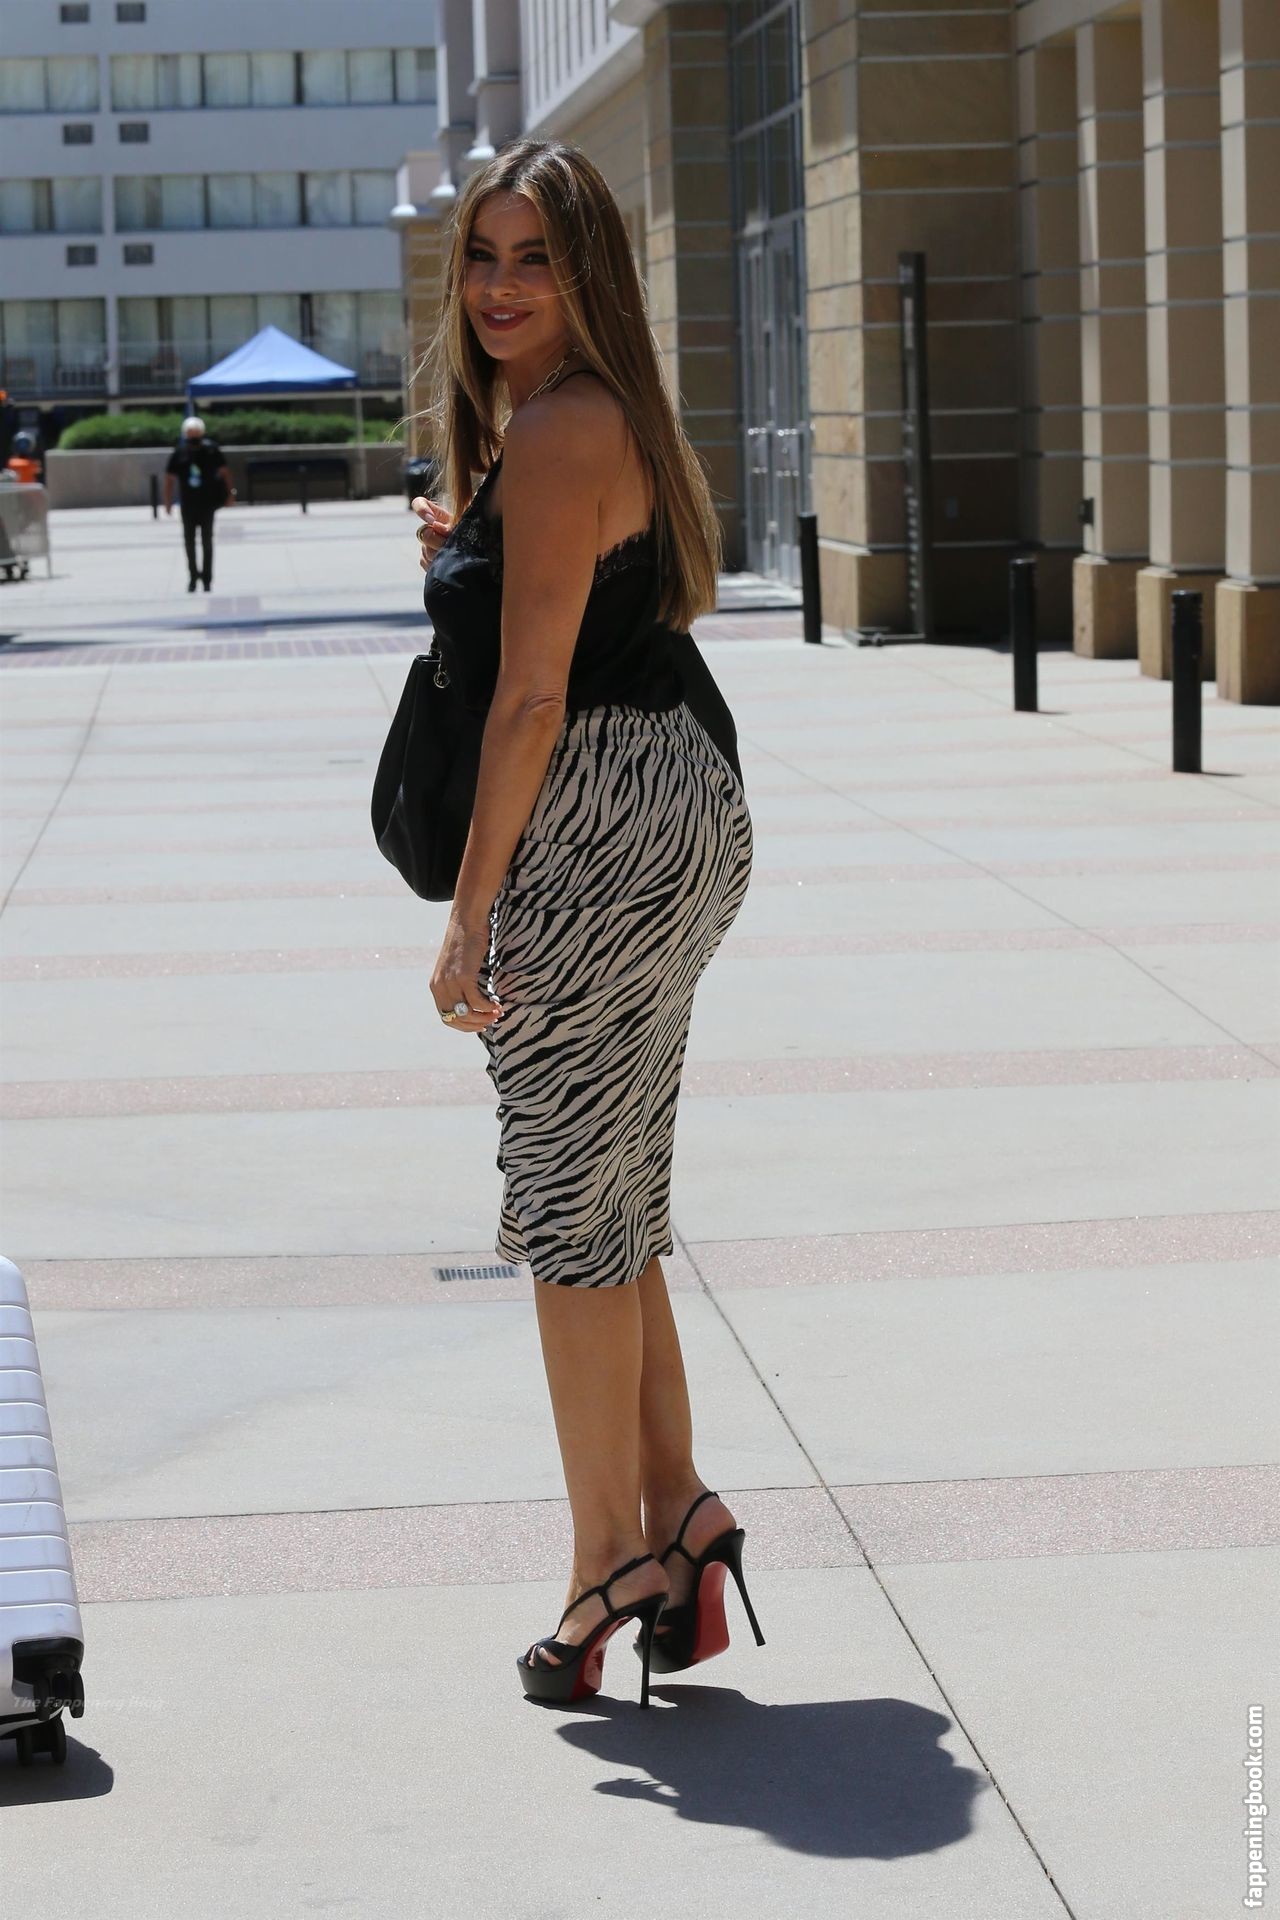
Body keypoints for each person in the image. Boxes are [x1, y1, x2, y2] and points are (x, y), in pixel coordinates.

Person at [411, 137, 763, 1710]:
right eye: (482, 257)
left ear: (589, 271)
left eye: (534, 258)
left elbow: (532, 698)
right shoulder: (587, 416)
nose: (500, 287)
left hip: (597, 826)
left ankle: (602, 1562)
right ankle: (678, 1512)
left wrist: (468, 915)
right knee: (610, 1205)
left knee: (568, 1218)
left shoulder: (561, 427)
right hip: (669, 802)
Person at [163, 415, 234, 590]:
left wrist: (230, 494)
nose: (194, 438)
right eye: (190, 434)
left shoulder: (211, 450)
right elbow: (169, 479)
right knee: (189, 542)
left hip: (207, 503)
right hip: (188, 504)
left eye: (196, 433)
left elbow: (225, 472)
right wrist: (168, 501)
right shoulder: (179, 452)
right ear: (185, 434)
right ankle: (193, 576)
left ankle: (207, 579)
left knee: (207, 541)